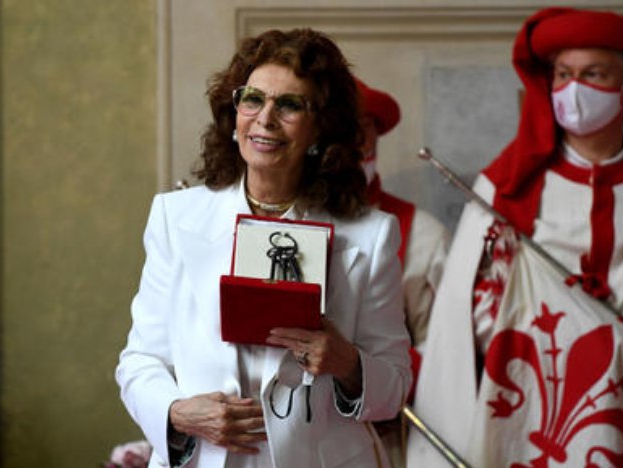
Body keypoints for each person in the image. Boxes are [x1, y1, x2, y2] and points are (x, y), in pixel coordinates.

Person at [408, 7, 623, 467]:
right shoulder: (506, 186)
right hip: (528, 415)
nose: (574, 90)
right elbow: (465, 313)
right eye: (563, 74)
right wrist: (561, 316)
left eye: (593, 74)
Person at [116, 28, 412, 468]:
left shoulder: (373, 235)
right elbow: (140, 361)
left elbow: (395, 387)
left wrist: (348, 363)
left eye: (290, 105)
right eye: (252, 99)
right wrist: (178, 414)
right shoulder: (174, 219)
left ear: (320, 130)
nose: (265, 118)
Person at [354, 78, 450, 467]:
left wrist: (369, 372)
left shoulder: (423, 234)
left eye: (359, 134)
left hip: (393, 442)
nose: (349, 149)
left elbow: (446, 349)